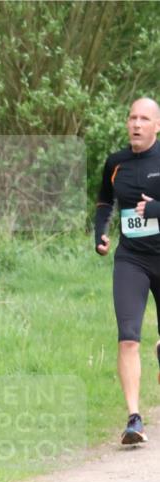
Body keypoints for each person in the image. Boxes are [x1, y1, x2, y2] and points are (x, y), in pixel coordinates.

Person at [94, 96, 160, 444]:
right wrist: (99, 232)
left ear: (157, 126)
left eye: (144, 119)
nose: (136, 124)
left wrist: (157, 209)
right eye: (132, 117)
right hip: (131, 258)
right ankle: (134, 418)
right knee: (128, 338)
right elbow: (105, 200)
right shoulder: (116, 162)